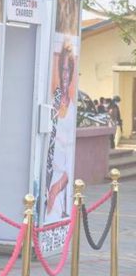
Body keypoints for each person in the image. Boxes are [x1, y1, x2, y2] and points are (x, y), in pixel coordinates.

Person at [45, 42, 77, 220]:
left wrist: (55, 190)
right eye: (62, 69)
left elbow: (69, 163)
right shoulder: (52, 100)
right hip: (45, 177)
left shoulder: (71, 109)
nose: (65, 75)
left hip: (59, 183)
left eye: (68, 70)